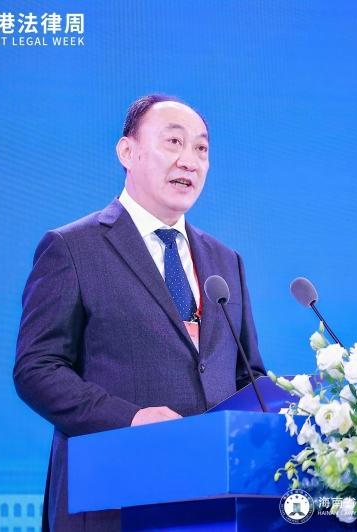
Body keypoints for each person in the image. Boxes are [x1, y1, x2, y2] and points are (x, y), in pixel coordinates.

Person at [14, 94, 265, 531]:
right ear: (127, 152)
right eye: (174, 142)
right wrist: (129, 419)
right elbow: (37, 369)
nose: (189, 161)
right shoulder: (72, 248)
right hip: (113, 501)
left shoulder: (226, 261)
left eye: (201, 148)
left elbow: (248, 375)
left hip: (217, 505)